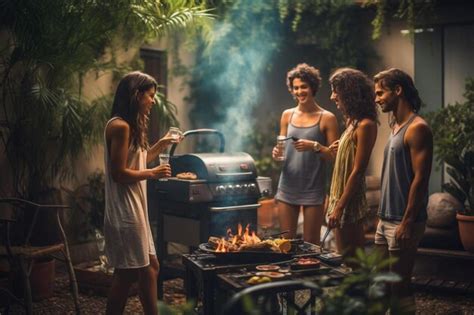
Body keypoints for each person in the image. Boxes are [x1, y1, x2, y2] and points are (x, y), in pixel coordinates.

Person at [104, 71, 176, 315]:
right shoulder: (120, 126)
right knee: (126, 275)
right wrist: (152, 174)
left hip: (136, 209)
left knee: (150, 267)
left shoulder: (130, 126)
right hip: (125, 211)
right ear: (137, 95)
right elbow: (119, 173)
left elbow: (140, 160)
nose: (153, 101)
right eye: (150, 95)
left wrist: (163, 142)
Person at [373, 68, 433, 314]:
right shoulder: (396, 126)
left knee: (400, 286)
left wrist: (407, 221)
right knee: (380, 284)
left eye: (380, 93)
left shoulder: (417, 128)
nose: (377, 99)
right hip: (385, 219)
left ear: (398, 90)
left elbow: (421, 179)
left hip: (403, 221)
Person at [272, 63, 339, 245]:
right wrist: (277, 152)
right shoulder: (287, 115)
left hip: (313, 189)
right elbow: (282, 148)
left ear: (313, 87)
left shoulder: (327, 118)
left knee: (311, 243)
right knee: (286, 242)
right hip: (287, 186)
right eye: (296, 88)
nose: (300, 91)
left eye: (304, 87)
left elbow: (334, 157)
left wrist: (315, 146)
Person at [326, 68, 378, 260]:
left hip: (350, 200)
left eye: (335, 90)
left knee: (352, 260)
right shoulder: (352, 122)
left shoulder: (366, 125)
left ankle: (359, 291)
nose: (332, 96)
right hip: (339, 196)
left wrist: (340, 207)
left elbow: (358, 171)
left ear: (349, 92)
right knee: (344, 258)